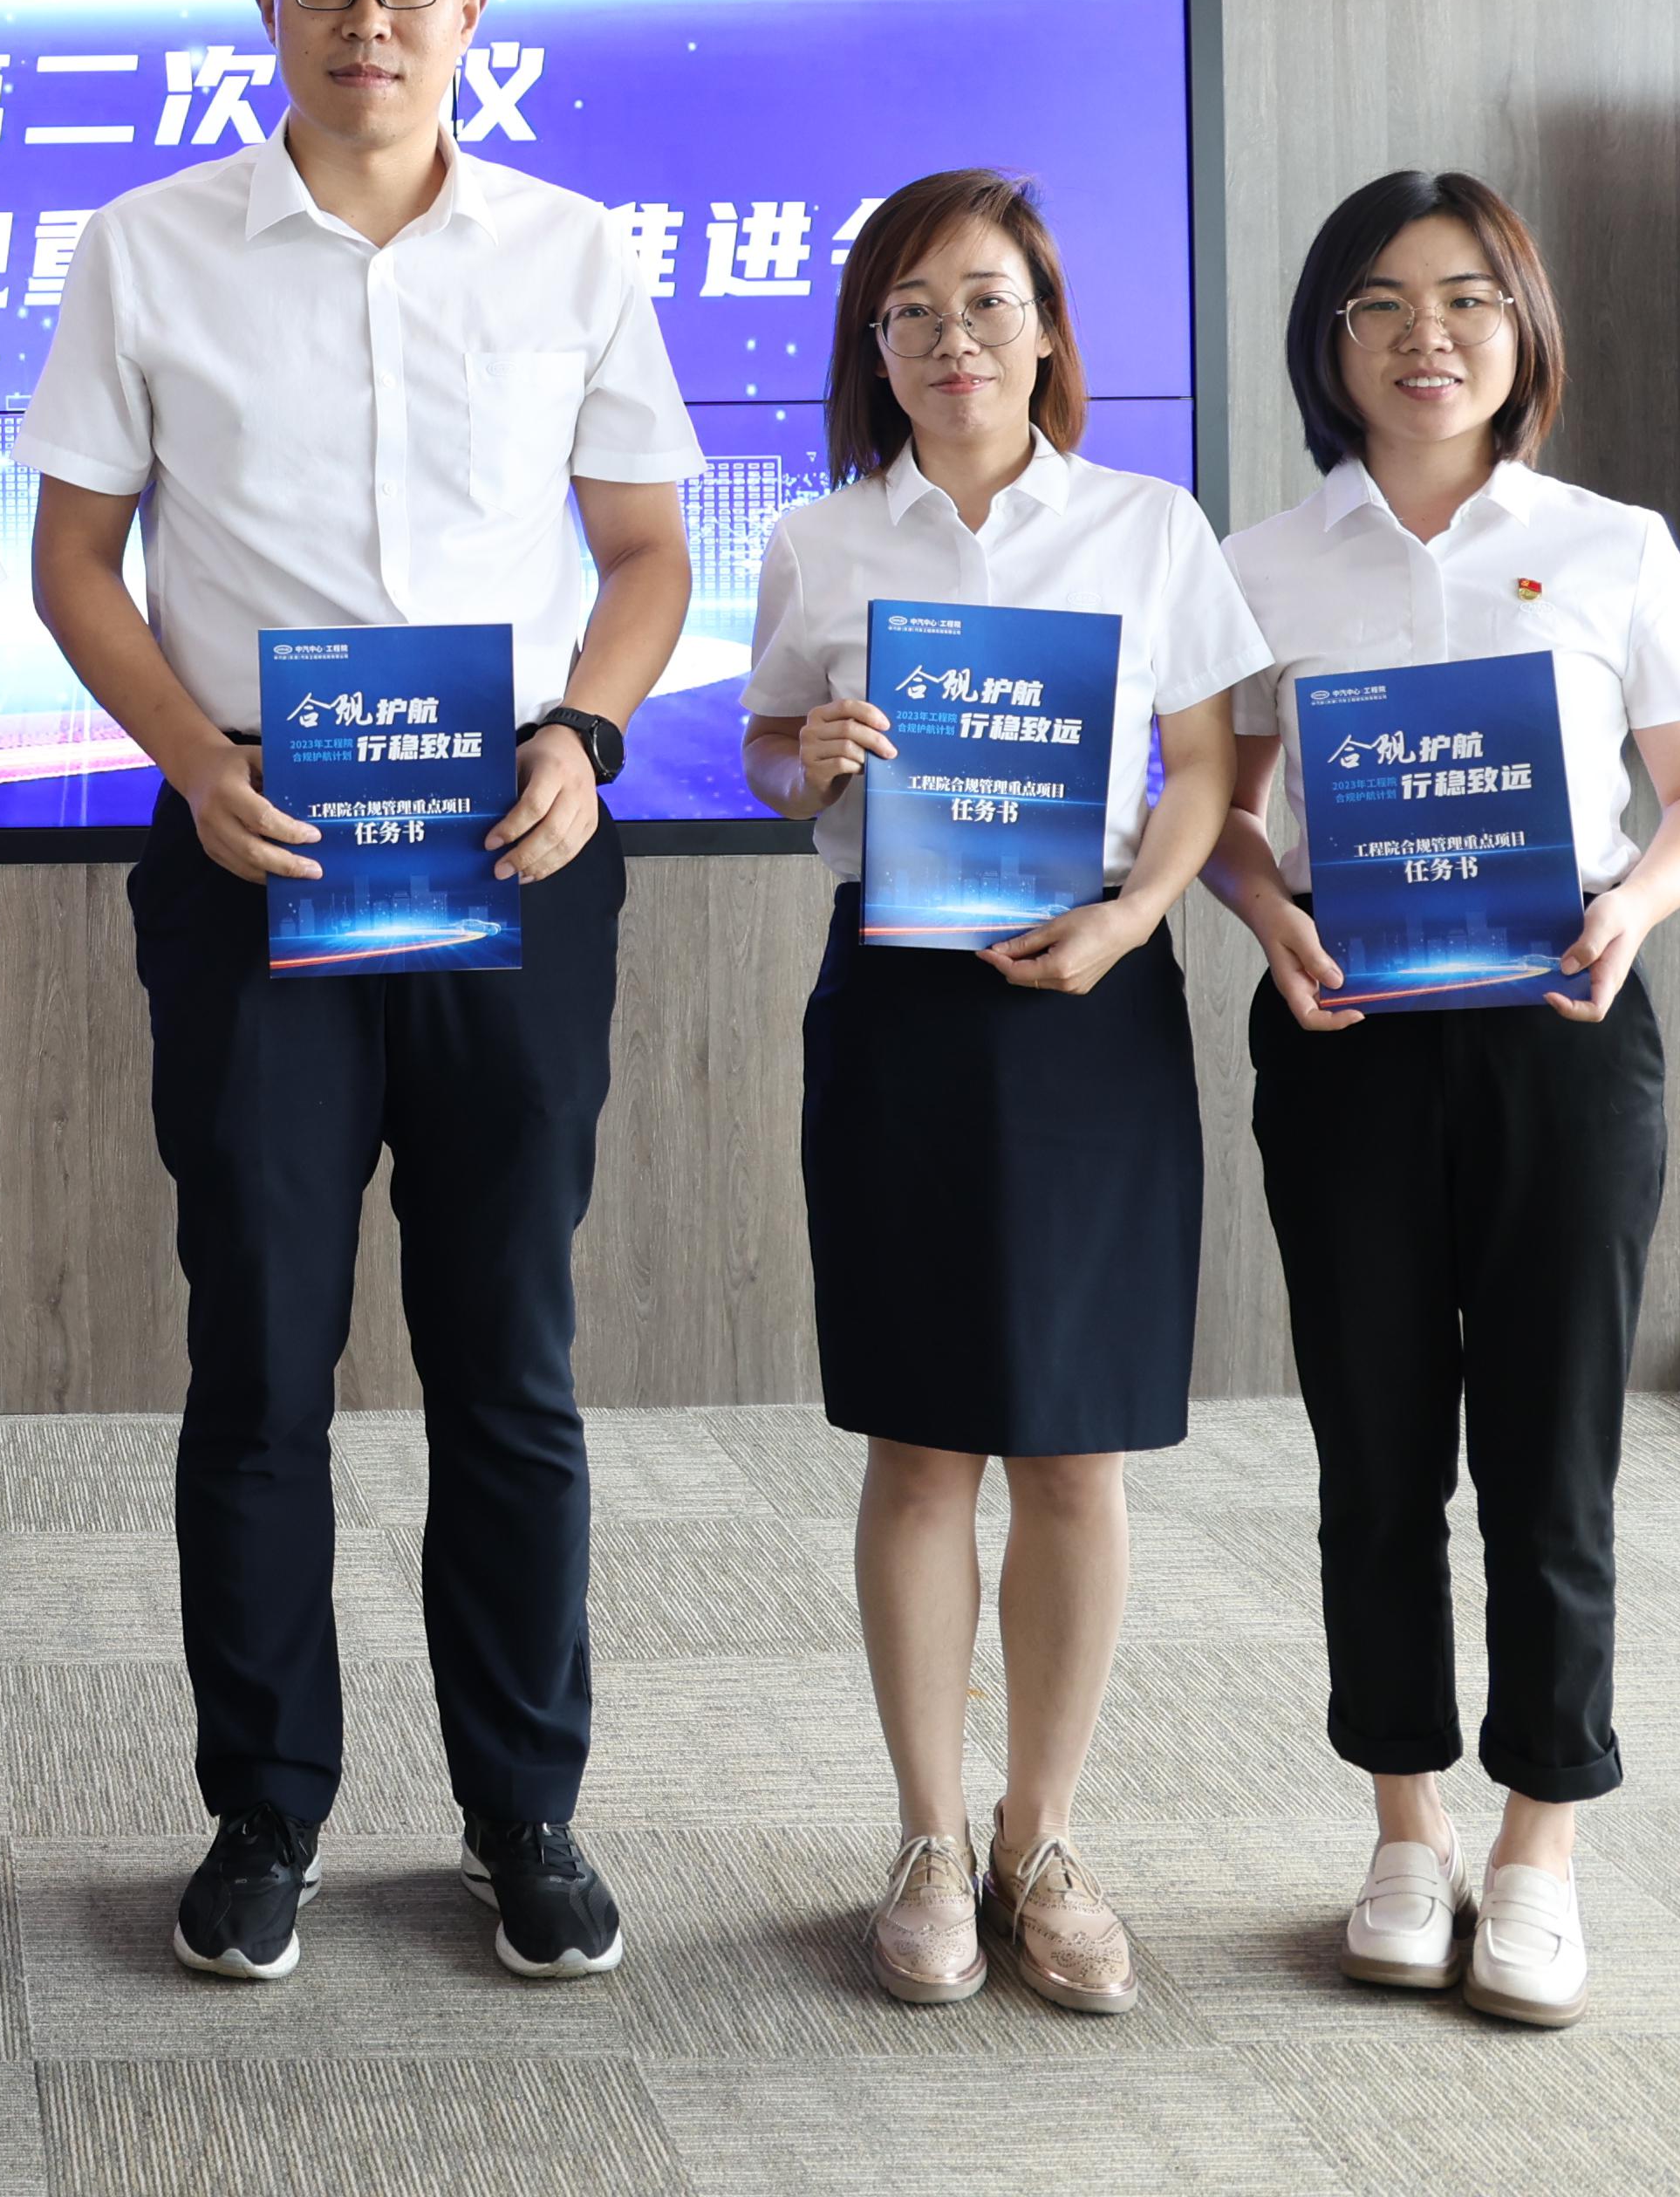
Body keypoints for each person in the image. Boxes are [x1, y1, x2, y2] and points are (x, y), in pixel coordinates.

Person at [19, 0, 698, 1988]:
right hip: (254, 849)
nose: (368, 14)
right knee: (260, 1356)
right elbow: (71, 559)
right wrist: (187, 759)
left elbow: (648, 553)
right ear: (266, 4)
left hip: (511, 846)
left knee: (510, 1355)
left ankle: (526, 1811)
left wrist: (587, 732)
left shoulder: (573, 250)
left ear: (473, 11)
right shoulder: (148, 247)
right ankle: (266, 1809)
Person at [1200, 171, 1680, 2030]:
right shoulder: (1263, 562)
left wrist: (1635, 903)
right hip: (1344, 1034)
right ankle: (1403, 1826)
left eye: (1465, 299)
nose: (1423, 335)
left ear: (1522, 330)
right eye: (1378, 302)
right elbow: (1228, 815)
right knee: (1373, 1450)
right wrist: (1268, 914)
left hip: (1561, 1036)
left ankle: (1539, 1844)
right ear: (1328, 341)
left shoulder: (1611, 545)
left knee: (1550, 1453)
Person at [739, 166, 1267, 2020]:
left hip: (1088, 1007)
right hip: (897, 1004)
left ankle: (1042, 1839)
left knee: (1073, 1445)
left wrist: (1133, 914)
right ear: (873, 350)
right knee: (918, 1441)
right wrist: (807, 756)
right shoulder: (821, 539)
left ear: (1045, 332)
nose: (952, 338)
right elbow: (765, 757)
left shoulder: (1145, 524)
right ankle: (925, 1837)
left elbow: (1204, 764)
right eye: (911, 311)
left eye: (986, 303)